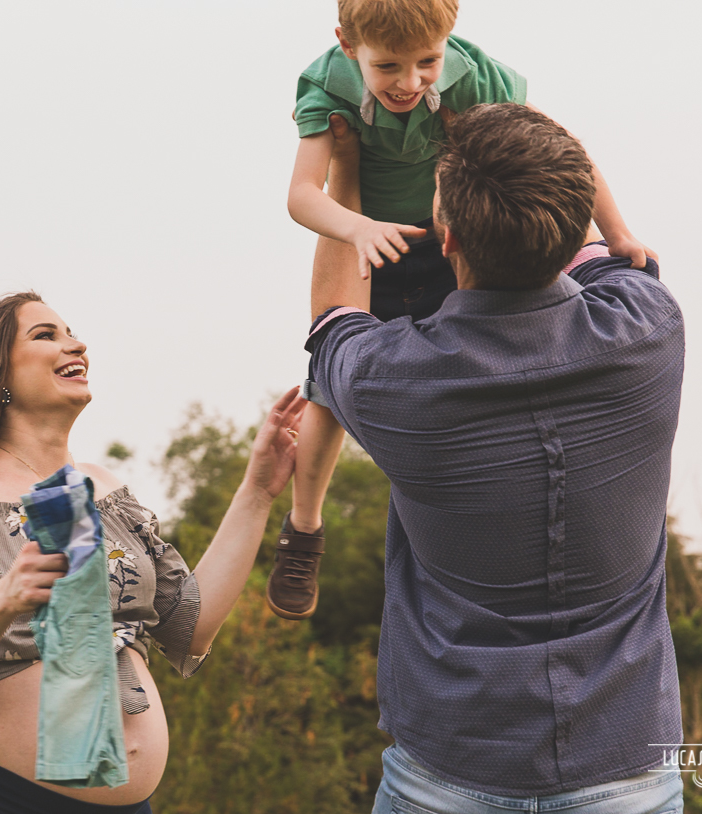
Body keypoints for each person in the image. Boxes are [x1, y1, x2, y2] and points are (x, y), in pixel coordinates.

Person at [306, 105, 685, 814]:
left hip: (449, 775)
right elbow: (601, 244)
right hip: (628, 768)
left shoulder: (392, 380)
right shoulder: (650, 328)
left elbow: (333, 317)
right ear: (571, 228)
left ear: (446, 237)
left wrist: (347, 175)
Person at [268, 0, 656, 621]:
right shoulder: (327, 85)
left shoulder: (472, 76)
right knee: (327, 392)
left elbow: (561, 158)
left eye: (427, 61)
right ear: (348, 44)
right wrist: (357, 228)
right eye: (387, 67)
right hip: (369, 241)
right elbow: (300, 195)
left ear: (449, 37)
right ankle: (305, 526)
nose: (410, 82)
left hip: (458, 240)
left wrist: (617, 233)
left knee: (470, 358)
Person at [0, 292, 306, 814]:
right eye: (45, 335)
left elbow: (189, 627)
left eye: (71, 332)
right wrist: (4, 598)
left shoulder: (103, 490)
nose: (76, 344)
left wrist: (258, 490)